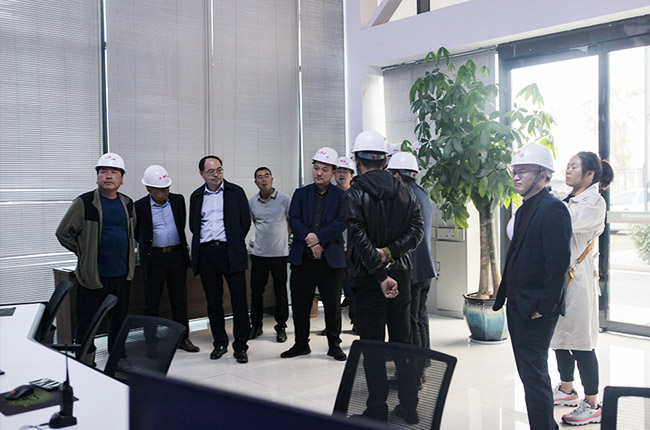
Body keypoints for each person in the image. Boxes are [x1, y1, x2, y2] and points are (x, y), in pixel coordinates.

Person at [345, 130, 424, 424]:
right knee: (404, 341)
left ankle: (377, 410)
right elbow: (417, 232)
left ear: (356, 160)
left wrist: (379, 273)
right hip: (401, 275)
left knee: (373, 346)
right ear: (385, 160)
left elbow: (358, 237)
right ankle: (410, 407)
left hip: (368, 280)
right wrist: (391, 252)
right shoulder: (405, 191)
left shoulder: (354, 193)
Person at [493, 143, 572, 430]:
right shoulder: (526, 206)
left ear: (543, 175)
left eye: (523, 172)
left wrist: (545, 307)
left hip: (535, 309)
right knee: (529, 374)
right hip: (518, 303)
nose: (516, 177)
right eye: (514, 171)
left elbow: (558, 264)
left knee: (534, 375)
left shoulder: (553, 209)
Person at [550, 152, 613, 426]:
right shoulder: (567, 197)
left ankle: (592, 403)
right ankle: (566, 389)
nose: (568, 170)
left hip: (578, 279)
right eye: (567, 165)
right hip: (560, 278)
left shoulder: (594, 203)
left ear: (590, 174)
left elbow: (563, 222)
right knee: (559, 338)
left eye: (574, 166)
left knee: (581, 343)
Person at [56, 152, 136, 357]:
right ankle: (85, 359)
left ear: (122, 179)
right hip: (93, 275)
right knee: (88, 322)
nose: (108, 175)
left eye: (114, 172)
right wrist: (84, 252)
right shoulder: (84, 202)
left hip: (121, 274)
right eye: (103, 171)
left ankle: (117, 356)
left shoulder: (127, 203)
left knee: (119, 319)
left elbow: (131, 233)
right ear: (97, 177)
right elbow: (63, 232)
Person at [281, 147, 347, 361]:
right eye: (316, 168)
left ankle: (334, 345)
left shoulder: (342, 196)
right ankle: (301, 344)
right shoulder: (301, 193)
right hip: (303, 258)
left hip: (330, 259)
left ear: (333, 172)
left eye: (324, 170)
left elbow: (341, 222)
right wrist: (311, 240)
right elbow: (294, 219)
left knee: (332, 305)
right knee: (300, 304)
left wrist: (319, 238)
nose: (319, 173)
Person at [189, 155, 251, 364]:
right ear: (202, 174)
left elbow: (244, 222)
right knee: (213, 301)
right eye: (211, 172)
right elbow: (194, 226)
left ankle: (240, 345)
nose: (216, 175)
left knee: (239, 300)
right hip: (207, 253)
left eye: (219, 170)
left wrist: (233, 240)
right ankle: (220, 343)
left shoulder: (236, 192)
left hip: (231, 251)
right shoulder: (196, 196)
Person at [134, 165, 199, 353]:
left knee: (179, 300)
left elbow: (181, 224)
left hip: (177, 256)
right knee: (151, 303)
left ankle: (183, 338)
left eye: (167, 187)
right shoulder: (139, 206)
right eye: (160, 189)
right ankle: (151, 343)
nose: (165, 192)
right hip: (154, 258)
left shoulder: (178, 200)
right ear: (148, 188)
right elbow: (138, 233)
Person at [387, 152, 437, 352]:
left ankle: (415, 366)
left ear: (397, 176)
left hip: (412, 270)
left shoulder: (405, 196)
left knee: (411, 321)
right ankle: (424, 360)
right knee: (420, 317)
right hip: (425, 268)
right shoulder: (421, 193)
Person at [248, 167, 291, 343]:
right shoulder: (252, 202)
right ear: (256, 182)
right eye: (260, 177)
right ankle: (256, 325)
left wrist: (281, 238)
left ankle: (281, 326)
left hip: (279, 254)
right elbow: (255, 221)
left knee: (280, 291)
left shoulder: (284, 199)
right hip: (259, 254)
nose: (264, 179)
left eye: (267, 176)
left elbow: (291, 222)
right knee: (256, 291)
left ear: (272, 179)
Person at [335, 156, 357, 333]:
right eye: (339, 171)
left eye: (345, 171)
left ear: (352, 175)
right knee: (334, 290)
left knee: (353, 289)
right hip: (334, 249)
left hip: (353, 250)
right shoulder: (329, 195)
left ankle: (357, 322)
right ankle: (333, 326)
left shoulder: (356, 195)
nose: (341, 174)